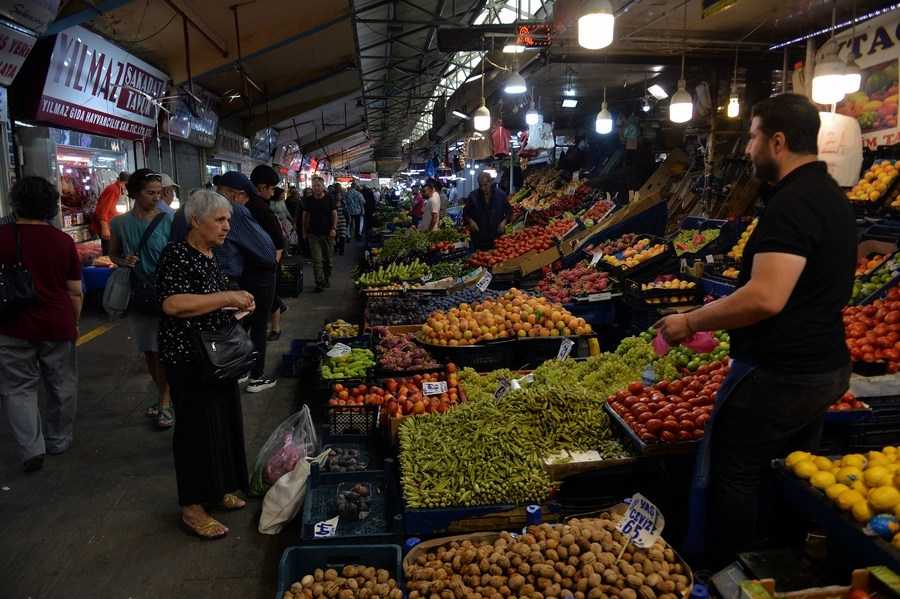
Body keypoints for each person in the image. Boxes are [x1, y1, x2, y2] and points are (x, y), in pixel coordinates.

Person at [655, 94, 856, 564]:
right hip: (823, 366)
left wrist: (691, 320)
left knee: (734, 469)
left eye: (752, 138)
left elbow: (766, 296)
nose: (747, 149)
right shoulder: (832, 198)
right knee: (787, 471)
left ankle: (728, 569)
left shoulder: (792, 204)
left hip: (782, 372)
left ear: (778, 142)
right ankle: (778, 563)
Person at [156, 189, 254, 539]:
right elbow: (174, 304)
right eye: (219, 220)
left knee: (221, 423)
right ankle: (192, 508)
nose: (227, 226)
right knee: (195, 432)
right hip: (188, 359)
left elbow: (207, 302)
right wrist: (227, 296)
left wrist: (235, 305)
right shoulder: (176, 255)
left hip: (216, 359)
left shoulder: (210, 254)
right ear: (195, 221)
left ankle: (219, 488)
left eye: (228, 219)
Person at [0, 177, 82, 473]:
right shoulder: (62, 241)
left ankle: (31, 449)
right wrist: (74, 322)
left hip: (11, 325)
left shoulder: (2, 236)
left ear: (16, 203)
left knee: (18, 388)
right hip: (57, 324)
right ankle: (58, 439)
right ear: (51, 205)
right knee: (61, 384)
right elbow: (74, 290)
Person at [108, 170, 174, 429]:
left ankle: (166, 402)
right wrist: (124, 260)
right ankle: (164, 397)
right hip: (139, 293)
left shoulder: (168, 219)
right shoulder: (120, 223)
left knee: (165, 350)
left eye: (159, 193)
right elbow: (113, 254)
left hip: (167, 293)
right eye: (150, 193)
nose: (156, 198)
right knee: (149, 351)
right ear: (134, 193)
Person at [217, 171, 279, 393]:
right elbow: (266, 251)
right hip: (254, 277)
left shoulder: (208, 210)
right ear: (236, 195)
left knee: (240, 325)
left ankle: (241, 370)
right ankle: (256, 376)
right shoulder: (237, 211)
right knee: (259, 325)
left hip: (234, 278)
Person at [302, 176, 337, 292]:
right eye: (314, 186)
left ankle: (326, 278)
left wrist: (334, 228)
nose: (316, 188)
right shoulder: (309, 200)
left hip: (328, 234)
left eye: (318, 186)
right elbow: (305, 216)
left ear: (323, 187)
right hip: (313, 234)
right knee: (317, 260)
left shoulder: (329, 198)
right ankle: (319, 282)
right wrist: (304, 231)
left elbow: (334, 214)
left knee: (328, 261)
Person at [463, 172, 511, 250]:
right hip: (479, 238)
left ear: (490, 182)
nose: (482, 188)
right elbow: (465, 213)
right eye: (480, 185)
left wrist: (504, 222)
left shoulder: (501, 195)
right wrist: (470, 221)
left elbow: (509, 211)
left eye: (485, 185)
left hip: (497, 237)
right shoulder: (473, 196)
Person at [93, 171, 128, 255]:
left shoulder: (118, 189)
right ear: (126, 183)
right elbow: (103, 209)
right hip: (106, 226)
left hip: (111, 225)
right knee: (109, 252)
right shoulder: (113, 189)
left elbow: (111, 208)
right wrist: (105, 228)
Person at [332, 185, 350, 256]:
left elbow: (347, 212)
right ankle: (336, 247)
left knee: (342, 236)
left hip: (343, 221)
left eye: (340, 196)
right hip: (335, 222)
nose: (339, 197)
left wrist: (348, 219)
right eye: (337, 196)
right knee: (335, 236)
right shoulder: (332, 203)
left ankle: (341, 250)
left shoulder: (343, 203)